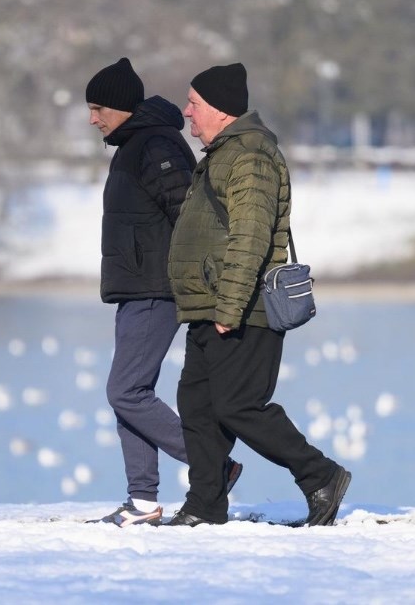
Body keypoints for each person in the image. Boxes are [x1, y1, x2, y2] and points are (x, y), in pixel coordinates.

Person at [164, 63, 350, 527]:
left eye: (194, 103)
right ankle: (205, 505)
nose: (186, 111)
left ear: (221, 110)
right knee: (197, 405)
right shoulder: (225, 153)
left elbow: (250, 235)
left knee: (239, 405)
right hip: (211, 305)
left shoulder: (250, 156)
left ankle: (320, 475)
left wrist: (229, 307)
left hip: (243, 310)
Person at [84, 58, 240, 527]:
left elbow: (187, 213)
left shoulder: (155, 145)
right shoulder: (135, 143)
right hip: (136, 287)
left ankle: (212, 463)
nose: (93, 118)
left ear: (121, 106)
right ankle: (142, 500)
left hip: (156, 288)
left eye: (97, 108)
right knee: (131, 391)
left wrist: (196, 282)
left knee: (125, 390)